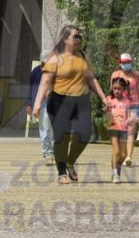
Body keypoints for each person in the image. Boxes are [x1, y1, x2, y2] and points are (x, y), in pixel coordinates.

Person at [32, 25, 110, 185]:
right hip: (59, 101)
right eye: (75, 36)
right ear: (65, 39)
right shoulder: (55, 59)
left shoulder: (83, 57)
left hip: (81, 101)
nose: (79, 39)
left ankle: (70, 162)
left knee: (84, 135)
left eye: (80, 37)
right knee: (62, 137)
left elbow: (91, 79)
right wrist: (37, 103)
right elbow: (45, 82)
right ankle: (62, 172)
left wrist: (103, 98)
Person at [111, 53, 139, 167]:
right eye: (124, 62)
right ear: (120, 63)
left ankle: (129, 157)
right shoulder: (115, 74)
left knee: (130, 131)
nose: (126, 64)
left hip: (133, 105)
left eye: (128, 62)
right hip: (120, 105)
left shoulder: (136, 74)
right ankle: (121, 154)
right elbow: (112, 90)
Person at [26, 51, 54, 166]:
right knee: (44, 128)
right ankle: (48, 154)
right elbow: (30, 88)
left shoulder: (56, 72)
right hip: (41, 103)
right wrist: (29, 104)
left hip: (55, 102)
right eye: (43, 63)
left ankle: (54, 152)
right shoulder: (36, 71)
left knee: (54, 129)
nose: (45, 65)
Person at [106, 78, 132, 184]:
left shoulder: (127, 101)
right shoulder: (109, 99)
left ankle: (118, 167)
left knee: (123, 154)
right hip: (113, 128)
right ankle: (115, 173)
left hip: (123, 129)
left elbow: (128, 115)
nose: (116, 91)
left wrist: (129, 120)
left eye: (119, 89)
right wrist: (107, 114)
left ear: (124, 89)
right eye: (114, 88)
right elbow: (105, 113)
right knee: (116, 151)